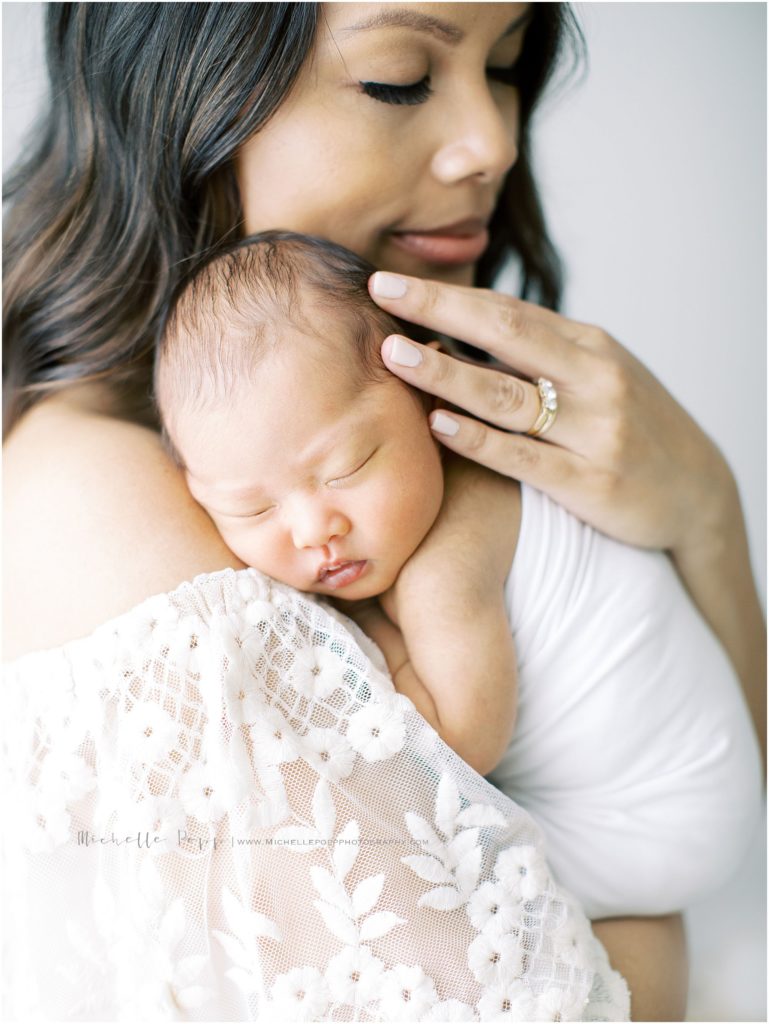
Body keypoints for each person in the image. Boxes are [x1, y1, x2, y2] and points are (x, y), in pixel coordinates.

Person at [2, 3, 764, 1020]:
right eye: (400, 77)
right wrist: (651, 929)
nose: (491, 143)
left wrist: (706, 510)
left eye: (504, 67)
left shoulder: (439, 453)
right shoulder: (98, 497)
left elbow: (710, 784)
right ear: (180, 89)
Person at [154, 227, 761, 922]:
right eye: (251, 508)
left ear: (425, 394)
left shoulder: (448, 558)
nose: (311, 528)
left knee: (392, 882)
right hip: (700, 784)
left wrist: (348, 632)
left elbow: (458, 742)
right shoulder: (398, 524)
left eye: (346, 468)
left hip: (653, 820)